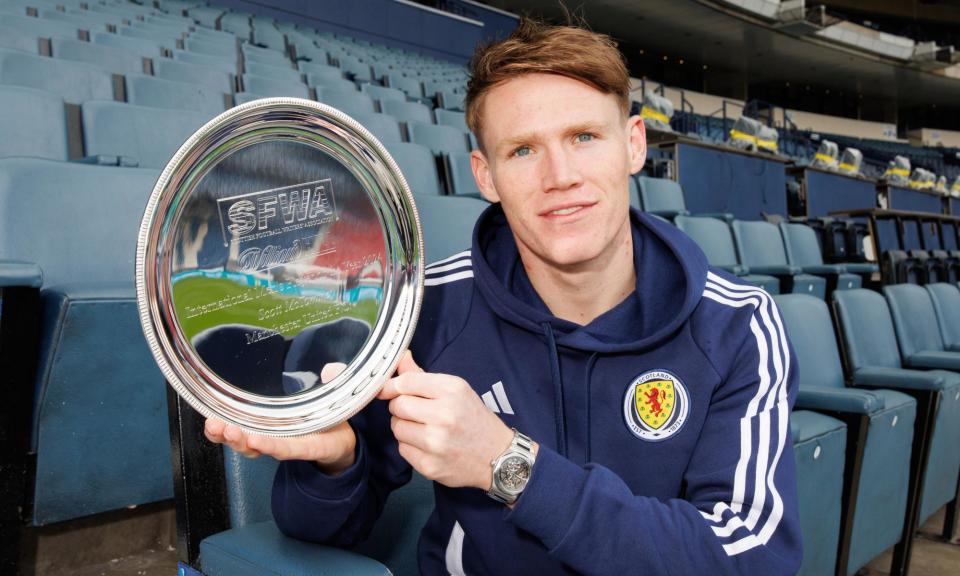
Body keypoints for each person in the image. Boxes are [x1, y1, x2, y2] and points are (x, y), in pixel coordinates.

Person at [205, 18, 802, 575]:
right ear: (484, 174)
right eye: (522, 149)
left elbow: (754, 557)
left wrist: (507, 464)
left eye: (585, 136)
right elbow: (326, 529)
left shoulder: (736, 326)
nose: (559, 175)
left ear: (635, 145)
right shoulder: (426, 309)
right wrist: (334, 464)